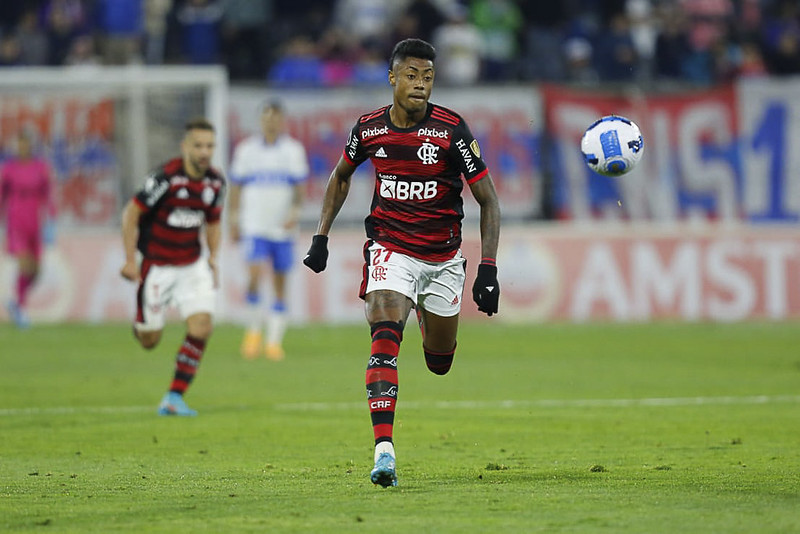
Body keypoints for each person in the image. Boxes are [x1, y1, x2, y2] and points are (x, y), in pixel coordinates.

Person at [302, 38, 501, 488]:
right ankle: (384, 451)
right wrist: (321, 236)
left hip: (444, 260)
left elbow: (489, 201)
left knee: (439, 361)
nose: (421, 85)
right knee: (385, 331)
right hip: (391, 248)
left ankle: (433, 332)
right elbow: (340, 176)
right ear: (392, 78)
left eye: (428, 77)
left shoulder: (452, 131)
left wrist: (487, 268)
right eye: (412, 75)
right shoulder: (369, 128)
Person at [119, 118, 225, 416]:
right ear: (185, 147)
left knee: (202, 327)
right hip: (157, 267)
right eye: (199, 146)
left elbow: (213, 223)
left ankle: (174, 397)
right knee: (149, 340)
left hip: (192, 264)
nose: (205, 152)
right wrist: (130, 260)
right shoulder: (165, 178)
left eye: (210, 146)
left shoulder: (215, 183)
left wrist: (213, 258)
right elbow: (131, 214)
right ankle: (143, 320)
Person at [228, 100, 309, 361]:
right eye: (266, 118)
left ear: (282, 121)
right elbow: (237, 187)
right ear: (260, 121)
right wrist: (233, 218)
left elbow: (299, 189)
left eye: (275, 118)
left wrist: (294, 214)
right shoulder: (246, 150)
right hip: (254, 225)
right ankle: (253, 331)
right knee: (253, 277)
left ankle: (273, 341)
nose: (271, 122)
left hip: (282, 229)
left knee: (279, 283)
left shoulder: (293, 150)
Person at [0, 131, 56, 329]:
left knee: (36, 271)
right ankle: (21, 309)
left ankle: (16, 303)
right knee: (25, 264)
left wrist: (52, 220)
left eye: (25, 144)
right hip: (16, 221)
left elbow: (48, 194)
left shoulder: (41, 168)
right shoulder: (8, 169)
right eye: (19, 145)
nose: (22, 148)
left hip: (35, 221)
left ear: (31, 146)